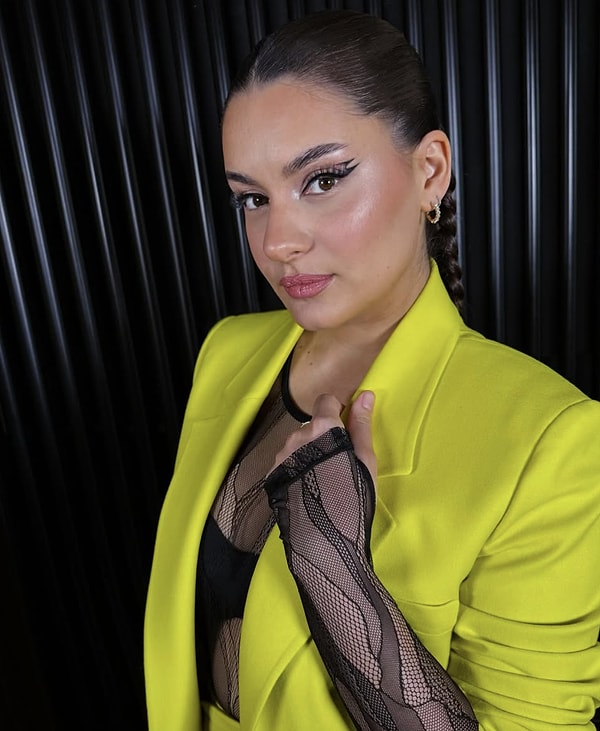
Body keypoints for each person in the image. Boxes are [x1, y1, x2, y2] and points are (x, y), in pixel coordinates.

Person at [144, 9, 600, 730]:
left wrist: (336, 567)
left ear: (429, 171)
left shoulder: (551, 441)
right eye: (253, 198)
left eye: (322, 179)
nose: (278, 241)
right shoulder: (228, 351)